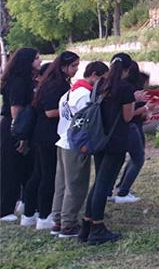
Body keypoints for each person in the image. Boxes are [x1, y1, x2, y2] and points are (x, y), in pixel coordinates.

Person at [80, 53, 148, 245]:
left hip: (99, 138)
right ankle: (97, 228)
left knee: (98, 182)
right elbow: (127, 117)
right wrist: (136, 102)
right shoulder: (125, 88)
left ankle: (86, 225)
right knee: (104, 184)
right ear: (127, 70)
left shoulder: (100, 84)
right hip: (116, 140)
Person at [21, 51, 80, 231]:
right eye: (74, 66)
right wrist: (74, 110)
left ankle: (30, 213)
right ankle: (44, 215)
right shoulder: (56, 84)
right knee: (48, 176)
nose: (76, 69)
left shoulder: (52, 81)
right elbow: (50, 111)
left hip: (42, 134)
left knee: (39, 174)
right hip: (48, 135)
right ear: (63, 66)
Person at [51, 61, 109, 238]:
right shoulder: (85, 95)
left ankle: (58, 220)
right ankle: (68, 225)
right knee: (76, 186)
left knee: (61, 185)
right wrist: (86, 144)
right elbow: (86, 122)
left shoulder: (70, 92)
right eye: (103, 79)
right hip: (76, 145)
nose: (104, 83)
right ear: (94, 75)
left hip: (63, 141)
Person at [0, 48, 41, 222]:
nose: (40, 61)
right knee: (11, 169)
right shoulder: (17, 82)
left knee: (26, 167)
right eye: (36, 58)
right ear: (27, 61)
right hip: (14, 128)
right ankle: (4, 209)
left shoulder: (28, 80)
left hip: (23, 127)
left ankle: (25, 201)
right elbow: (16, 111)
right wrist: (21, 136)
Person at [113, 64, 152, 203]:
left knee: (133, 158)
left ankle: (120, 187)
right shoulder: (130, 90)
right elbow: (129, 115)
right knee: (138, 158)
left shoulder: (116, 86)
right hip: (131, 128)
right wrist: (146, 108)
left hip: (132, 127)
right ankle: (123, 191)